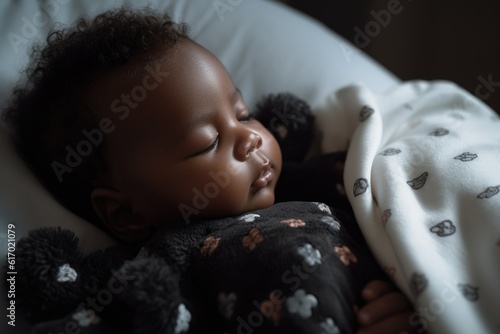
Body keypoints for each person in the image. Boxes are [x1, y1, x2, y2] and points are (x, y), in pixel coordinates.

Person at [3, 8, 415, 334]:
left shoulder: (321, 184)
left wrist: (408, 305)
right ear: (126, 214)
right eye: (207, 143)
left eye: (244, 114)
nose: (251, 138)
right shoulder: (161, 274)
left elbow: (405, 222)